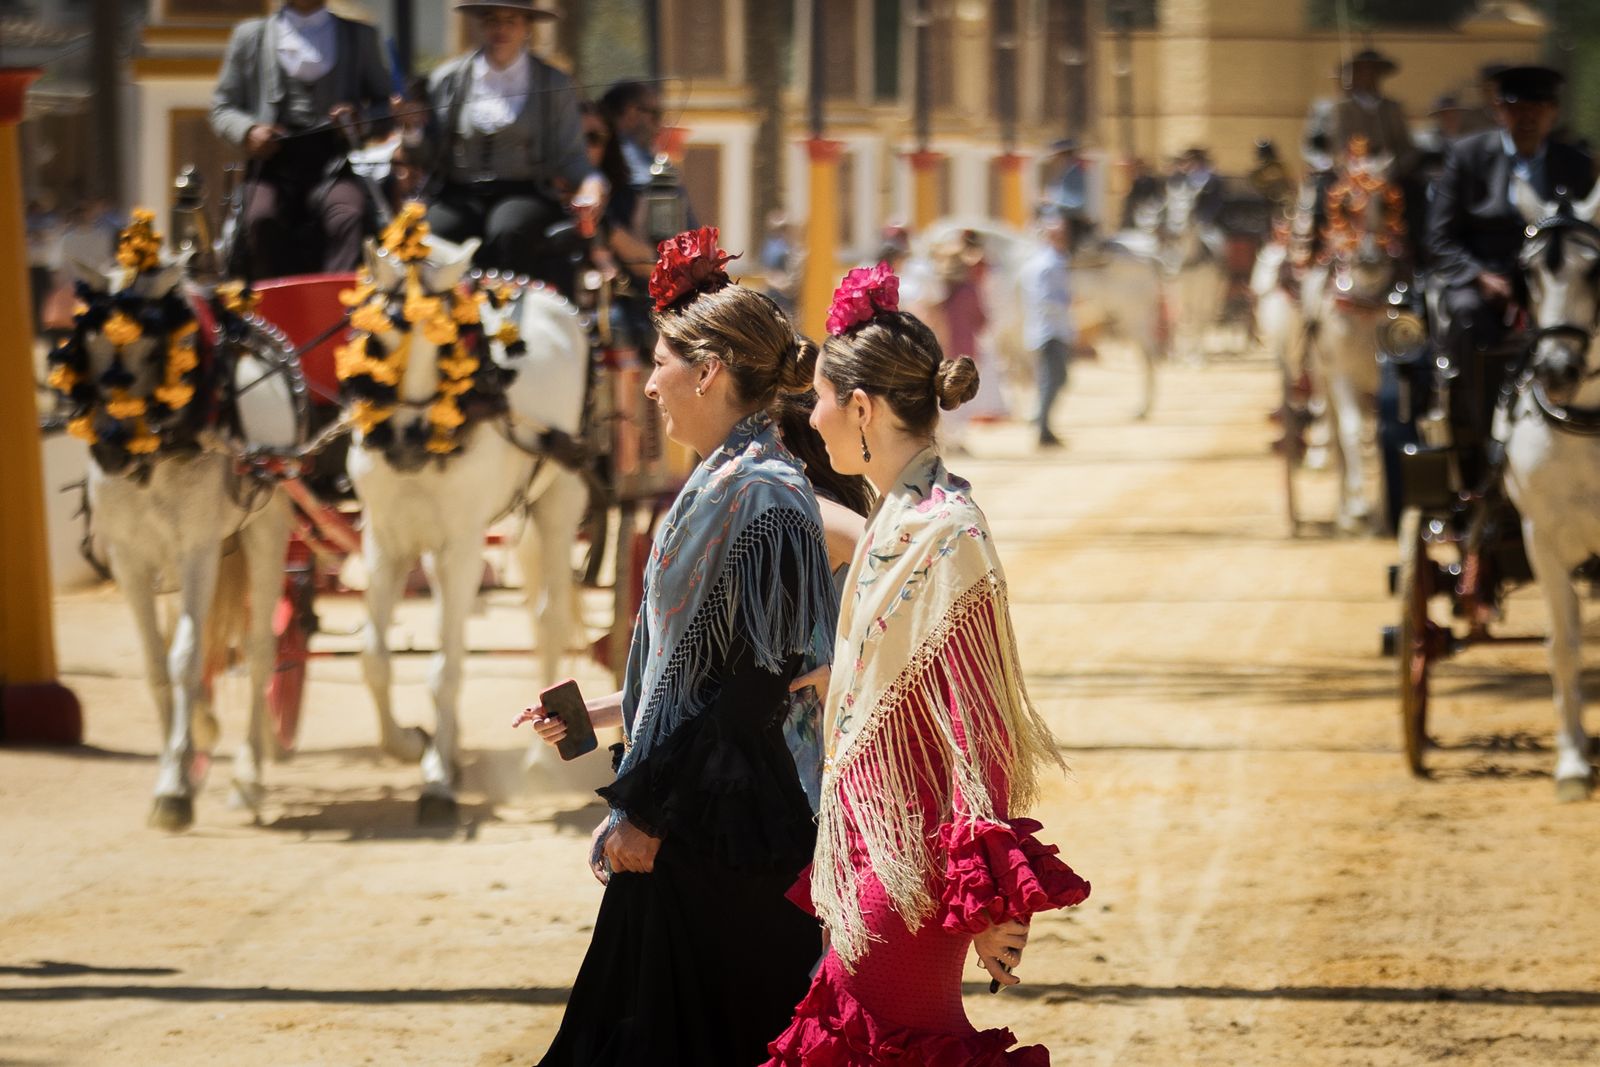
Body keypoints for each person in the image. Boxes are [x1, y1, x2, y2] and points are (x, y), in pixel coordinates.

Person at [523, 226, 837, 1066]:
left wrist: (651, 816)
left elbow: (750, 692)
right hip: (694, 823)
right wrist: (606, 713)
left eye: (663, 361)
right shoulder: (719, 483)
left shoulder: (761, 494)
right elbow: (702, 671)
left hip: (722, 841)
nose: (651, 383)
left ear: (710, 370)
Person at [763, 263, 1090, 1065]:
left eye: (823, 398)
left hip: (903, 871)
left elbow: (978, 724)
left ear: (864, 409)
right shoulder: (899, 518)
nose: (814, 414)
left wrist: (991, 898)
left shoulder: (947, 532)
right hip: (876, 852)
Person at [1426, 64, 1595, 491]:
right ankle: (1487, 445)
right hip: (1485, 287)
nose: (1528, 117)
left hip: (1556, 286)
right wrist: (1480, 276)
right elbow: (1439, 238)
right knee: (1467, 316)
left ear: (1552, 112)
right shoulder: (1467, 157)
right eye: (1517, 107)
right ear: (1499, 110)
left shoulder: (1576, 164)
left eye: (1538, 107)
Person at [404, 0, 605, 292]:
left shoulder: (553, 83)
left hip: (524, 190)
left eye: (511, 20)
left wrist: (592, 184)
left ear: (526, 27)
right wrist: (411, 131)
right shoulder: (447, 79)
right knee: (433, 233)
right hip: (459, 192)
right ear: (480, 24)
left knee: (508, 228)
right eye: (491, 19)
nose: (501, 28)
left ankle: (507, 321)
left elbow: (571, 156)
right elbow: (429, 156)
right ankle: (441, 324)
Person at [210, 0, 393, 278]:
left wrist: (360, 121)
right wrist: (248, 131)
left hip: (332, 165)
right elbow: (222, 108)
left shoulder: (360, 36)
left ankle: (337, 307)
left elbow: (385, 107)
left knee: (350, 215)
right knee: (260, 218)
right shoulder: (250, 36)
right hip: (272, 166)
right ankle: (272, 310)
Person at [1301, 48, 1415, 176]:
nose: (1367, 75)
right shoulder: (1328, 108)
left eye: (1373, 70)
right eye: (1362, 70)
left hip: (1384, 173)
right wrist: (1328, 164)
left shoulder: (1391, 108)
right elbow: (1313, 148)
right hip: (1338, 173)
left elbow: (1406, 148)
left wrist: (1394, 166)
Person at [1022, 214, 1076, 448]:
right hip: (1049, 330)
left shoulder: (1052, 260)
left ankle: (1042, 422)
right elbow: (1045, 299)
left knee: (1057, 379)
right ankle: (1042, 426)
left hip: (1052, 329)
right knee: (1052, 380)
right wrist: (1067, 303)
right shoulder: (1047, 264)